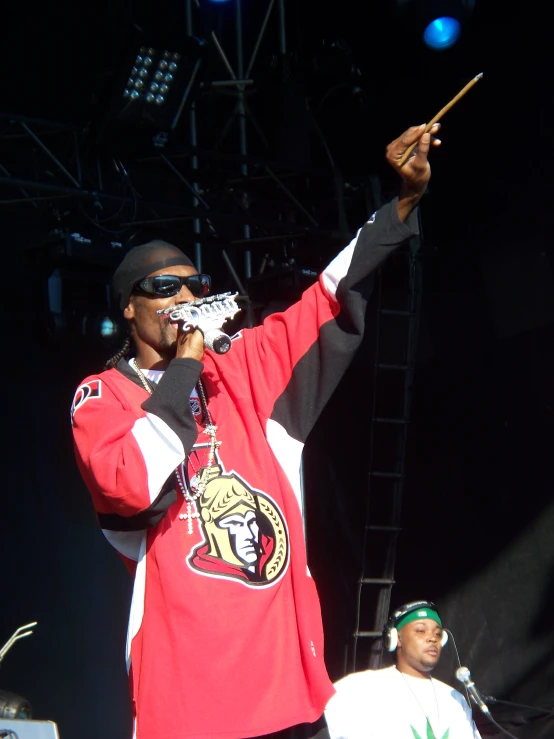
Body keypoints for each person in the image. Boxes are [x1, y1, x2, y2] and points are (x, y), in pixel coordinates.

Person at [70, 123, 440, 739]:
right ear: (128, 307)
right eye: (164, 287)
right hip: (189, 680)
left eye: (195, 284)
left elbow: (325, 297)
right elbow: (132, 486)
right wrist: (185, 365)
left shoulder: (240, 364)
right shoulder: (101, 395)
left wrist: (401, 204)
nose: (185, 294)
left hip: (280, 672)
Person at [324, 601, 482, 739]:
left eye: (438, 634)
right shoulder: (360, 687)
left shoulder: (455, 699)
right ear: (396, 638)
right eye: (420, 630)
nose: (432, 638)